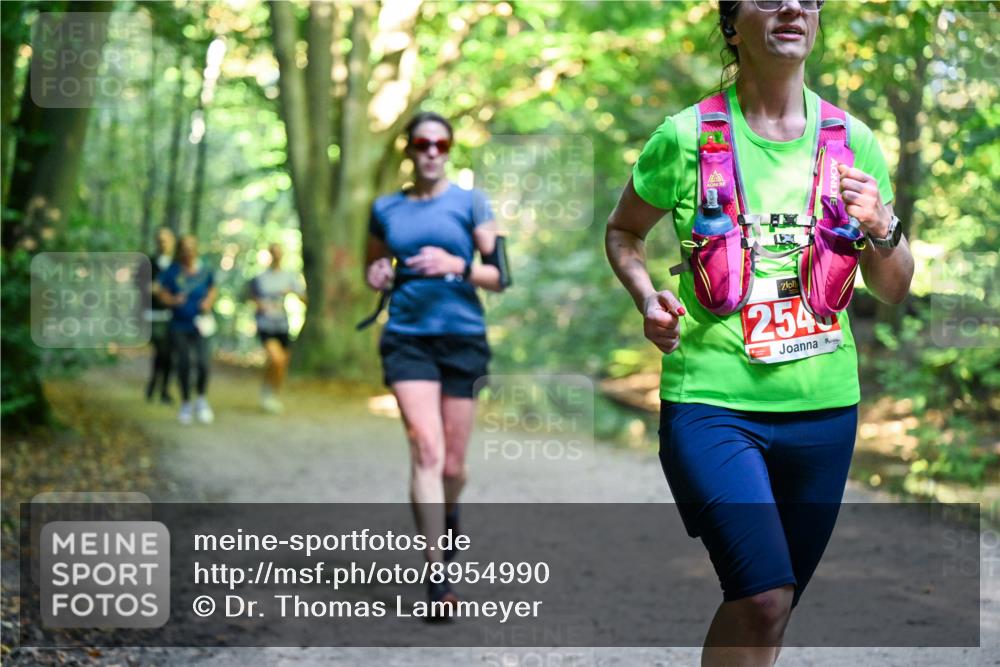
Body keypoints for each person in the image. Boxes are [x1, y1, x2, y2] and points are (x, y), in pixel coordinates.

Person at [605, 1, 913, 664]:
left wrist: (881, 226)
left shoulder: (853, 142)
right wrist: (646, 297)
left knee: (773, 609)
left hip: (825, 408)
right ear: (731, 21)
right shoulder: (685, 137)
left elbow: (892, 287)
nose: (794, 7)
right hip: (713, 402)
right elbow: (623, 230)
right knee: (762, 597)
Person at [364, 111, 505, 614]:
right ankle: (437, 576)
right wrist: (377, 273)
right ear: (408, 149)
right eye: (422, 143)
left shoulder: (470, 203)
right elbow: (374, 267)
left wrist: (457, 265)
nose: (431, 152)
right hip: (406, 338)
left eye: (440, 144)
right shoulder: (385, 208)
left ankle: (448, 515)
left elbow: (500, 275)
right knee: (425, 448)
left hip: (462, 340)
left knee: (452, 464)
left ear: (448, 150)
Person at [157, 235, 218, 425]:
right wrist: (173, 301)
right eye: (184, 248)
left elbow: (213, 288)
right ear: (180, 251)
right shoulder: (172, 271)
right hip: (178, 325)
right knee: (183, 364)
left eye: (191, 248)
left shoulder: (205, 269)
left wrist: (208, 301)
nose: (188, 252)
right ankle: (185, 403)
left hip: (201, 324)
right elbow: (161, 292)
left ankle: (201, 399)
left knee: (202, 363)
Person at [248, 242, 307, 413]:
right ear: (269, 254)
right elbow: (251, 296)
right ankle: (268, 395)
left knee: (281, 364)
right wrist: (260, 305)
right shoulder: (260, 278)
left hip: (282, 324)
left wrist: (292, 292)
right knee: (276, 359)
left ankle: (270, 393)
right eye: (273, 252)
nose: (276, 255)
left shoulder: (289, 276)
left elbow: (304, 298)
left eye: (279, 252)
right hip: (265, 324)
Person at [145, 227, 176, 403]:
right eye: (160, 240)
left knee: (169, 354)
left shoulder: (177, 265)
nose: (163, 243)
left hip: (173, 316)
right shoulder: (149, 263)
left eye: (166, 240)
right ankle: (157, 386)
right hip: (154, 315)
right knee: (162, 351)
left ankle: (159, 388)